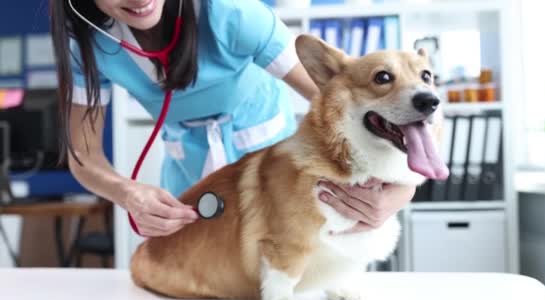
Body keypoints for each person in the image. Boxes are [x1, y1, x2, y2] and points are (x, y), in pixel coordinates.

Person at [50, 0, 416, 237]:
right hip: (189, 174)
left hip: (279, 171)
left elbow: (354, 107)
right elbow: (84, 157)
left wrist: (402, 189)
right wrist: (129, 194)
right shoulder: (87, 42)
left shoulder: (232, 13)